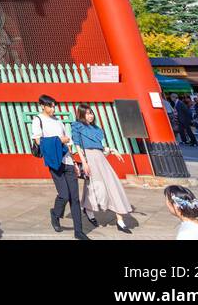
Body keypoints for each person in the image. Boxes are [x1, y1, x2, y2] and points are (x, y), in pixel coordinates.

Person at [30, 96, 87, 240]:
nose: (53, 109)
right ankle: (55, 214)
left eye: (54, 106)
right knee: (64, 195)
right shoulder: (38, 120)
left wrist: (73, 161)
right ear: (42, 105)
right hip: (55, 161)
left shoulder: (58, 121)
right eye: (50, 106)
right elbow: (38, 141)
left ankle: (78, 231)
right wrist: (59, 140)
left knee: (74, 197)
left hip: (67, 160)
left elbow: (67, 143)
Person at [70, 104, 134, 233]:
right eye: (87, 113)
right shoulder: (77, 126)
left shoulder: (97, 129)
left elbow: (100, 146)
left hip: (101, 159)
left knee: (113, 186)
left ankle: (120, 221)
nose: (91, 115)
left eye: (91, 113)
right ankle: (89, 210)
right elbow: (77, 146)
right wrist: (84, 162)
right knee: (94, 187)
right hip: (89, 158)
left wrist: (112, 150)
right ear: (82, 115)